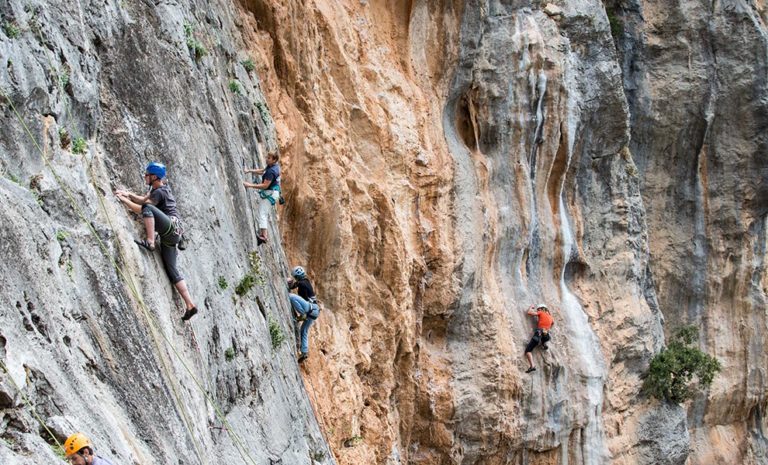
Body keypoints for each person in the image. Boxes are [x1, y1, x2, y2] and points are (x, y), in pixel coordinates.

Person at [115, 162, 198, 321]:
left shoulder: (160, 192)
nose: (145, 176)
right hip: (172, 234)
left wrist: (123, 201)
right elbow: (143, 199)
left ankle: (150, 242)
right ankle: (190, 305)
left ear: (154, 177)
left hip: (171, 228)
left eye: (147, 175)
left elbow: (144, 209)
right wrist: (127, 194)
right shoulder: (157, 189)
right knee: (172, 270)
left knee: (147, 209)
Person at [243, 151, 281, 245]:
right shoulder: (272, 166)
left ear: (274, 160)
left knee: (262, 213)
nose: (266, 159)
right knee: (263, 212)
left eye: (269, 158)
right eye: (267, 157)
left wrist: (250, 185)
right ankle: (263, 235)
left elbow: (264, 185)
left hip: (271, 193)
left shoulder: (272, 171)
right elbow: (262, 171)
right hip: (273, 192)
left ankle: (264, 236)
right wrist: (249, 171)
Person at [287, 266, 320, 363]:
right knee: (304, 330)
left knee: (291, 296)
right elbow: (296, 285)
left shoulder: (302, 283)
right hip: (314, 311)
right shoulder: (306, 281)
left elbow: (293, 286)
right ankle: (304, 352)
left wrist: (289, 282)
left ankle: (303, 314)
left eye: (295, 277)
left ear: (297, 276)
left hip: (310, 308)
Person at [524, 303, 553, 373]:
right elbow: (553, 323)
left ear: (541, 309)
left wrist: (531, 307)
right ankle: (543, 344)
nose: (538, 310)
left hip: (539, 333)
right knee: (544, 337)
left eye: (538, 309)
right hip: (547, 335)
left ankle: (532, 366)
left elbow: (529, 312)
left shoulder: (541, 312)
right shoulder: (551, 317)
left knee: (528, 350)